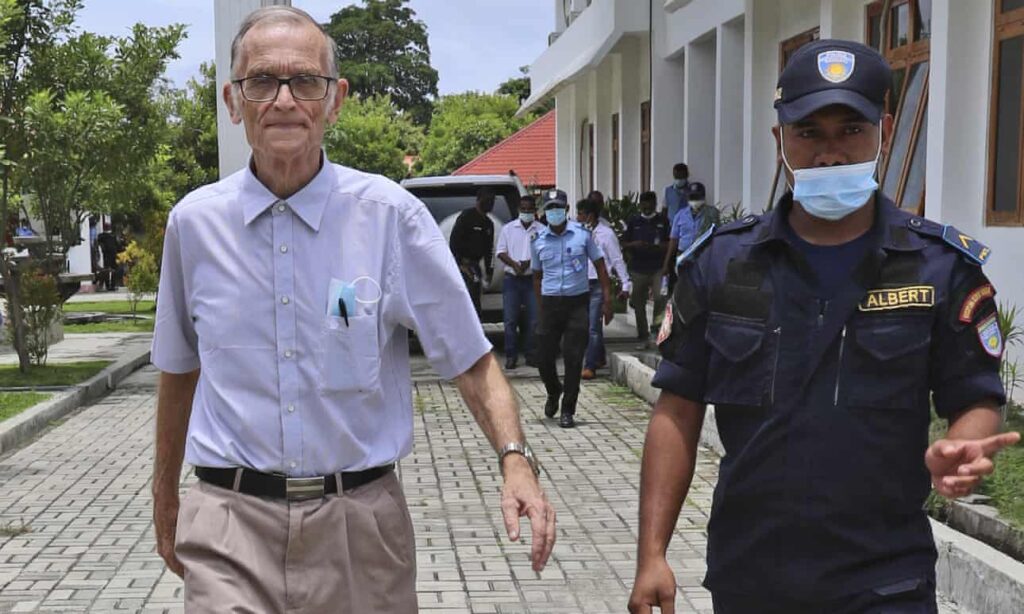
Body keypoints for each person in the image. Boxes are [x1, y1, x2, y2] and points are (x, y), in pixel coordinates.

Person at [150, 8, 555, 612]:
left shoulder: (390, 218)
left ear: (335, 100)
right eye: (261, 81)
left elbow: (470, 359)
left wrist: (516, 461)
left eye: (304, 81)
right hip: (229, 523)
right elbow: (179, 370)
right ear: (234, 102)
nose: (283, 99)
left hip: (360, 527)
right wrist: (164, 496)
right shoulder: (195, 225)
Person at [629, 39, 1020, 614]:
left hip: (886, 581)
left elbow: (976, 395)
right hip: (752, 577)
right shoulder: (722, 265)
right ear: (779, 141)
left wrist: (962, 442)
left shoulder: (940, 268)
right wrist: (651, 554)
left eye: (851, 131)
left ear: (884, 131)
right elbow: (676, 412)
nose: (830, 155)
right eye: (809, 134)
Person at [531, 189, 613, 428]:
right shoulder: (538, 241)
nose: (554, 212)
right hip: (550, 303)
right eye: (549, 209)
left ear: (566, 210)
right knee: (544, 359)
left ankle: (568, 409)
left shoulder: (582, 235)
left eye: (558, 207)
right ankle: (553, 390)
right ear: (544, 212)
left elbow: (600, 266)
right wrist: (540, 306)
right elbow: (536, 277)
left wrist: (607, 299)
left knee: (574, 358)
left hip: (577, 303)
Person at [577, 198, 630, 380]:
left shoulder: (606, 234)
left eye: (581, 214)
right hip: (580, 284)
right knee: (586, 326)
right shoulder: (576, 232)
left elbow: (616, 259)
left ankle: (589, 365)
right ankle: (599, 356)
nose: (577, 217)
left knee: (593, 326)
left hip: (599, 283)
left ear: (590, 216)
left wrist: (625, 283)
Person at [496, 194, 544, 369]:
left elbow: (544, 252)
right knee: (510, 320)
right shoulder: (508, 229)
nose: (526, 212)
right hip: (512, 280)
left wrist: (529, 263)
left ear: (534, 211)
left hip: (532, 279)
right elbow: (500, 252)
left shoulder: (541, 230)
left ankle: (531, 355)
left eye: (529, 209)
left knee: (533, 319)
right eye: (523, 209)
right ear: (518, 210)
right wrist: (515, 264)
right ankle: (511, 355)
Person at [622, 191, 670, 349]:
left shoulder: (662, 221)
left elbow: (670, 243)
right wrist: (634, 245)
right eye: (644, 204)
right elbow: (624, 243)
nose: (647, 207)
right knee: (638, 302)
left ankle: (655, 330)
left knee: (660, 298)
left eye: (650, 204)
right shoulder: (633, 221)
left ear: (655, 204)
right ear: (640, 205)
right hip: (638, 268)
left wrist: (656, 247)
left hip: (658, 267)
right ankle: (643, 335)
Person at [450, 187, 496, 316]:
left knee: (475, 302)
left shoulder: (488, 224)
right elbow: (453, 242)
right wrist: (460, 264)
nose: (490, 203)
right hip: (461, 266)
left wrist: (489, 272)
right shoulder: (466, 217)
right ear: (479, 200)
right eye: (487, 200)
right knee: (464, 301)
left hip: (475, 266)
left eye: (492, 201)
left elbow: (489, 250)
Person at [661, 181, 720, 283]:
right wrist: (666, 263)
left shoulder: (711, 213)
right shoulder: (680, 215)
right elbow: (673, 240)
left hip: (704, 256)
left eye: (697, 198)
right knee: (684, 287)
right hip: (684, 257)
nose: (695, 201)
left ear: (703, 197)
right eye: (692, 198)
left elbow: (716, 235)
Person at [96, 223, 119, 291]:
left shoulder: (101, 236)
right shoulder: (112, 237)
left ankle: (107, 285)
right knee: (114, 270)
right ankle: (112, 285)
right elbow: (117, 246)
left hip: (106, 255)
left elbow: (99, 242)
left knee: (106, 270)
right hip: (113, 255)